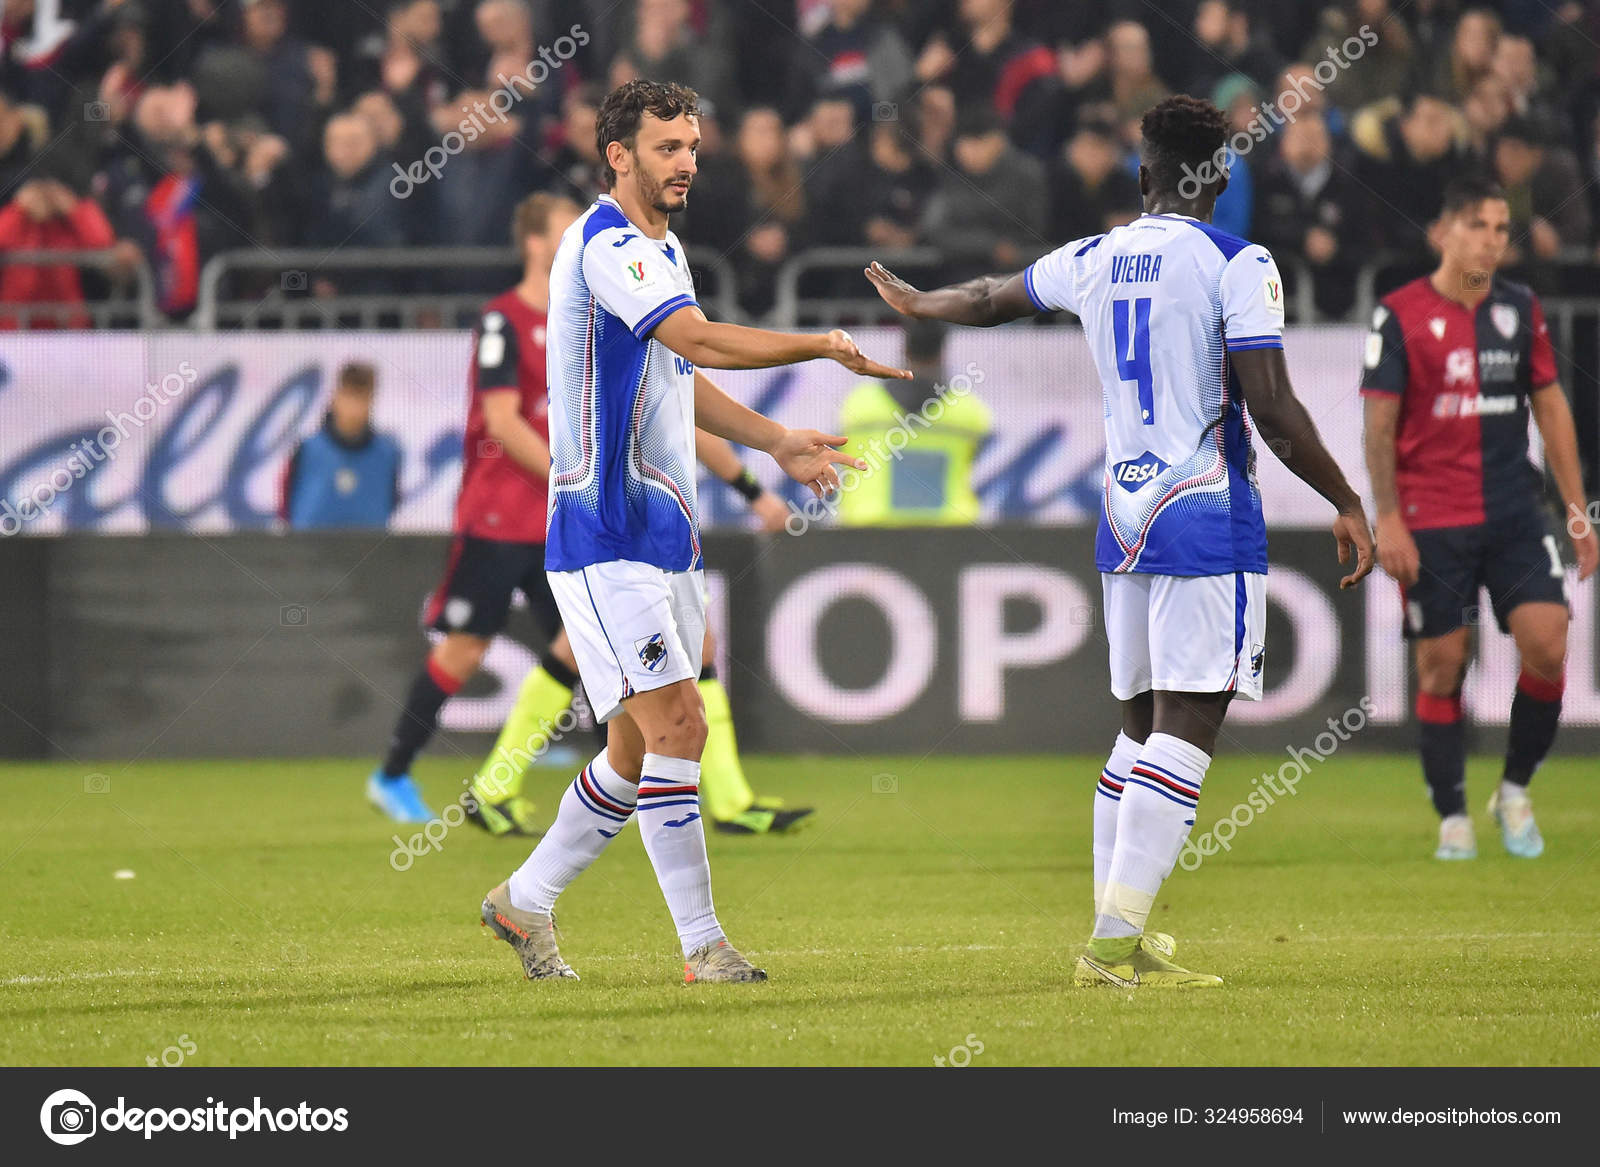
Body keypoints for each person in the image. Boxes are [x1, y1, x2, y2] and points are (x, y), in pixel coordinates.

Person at [866, 95, 1375, 989]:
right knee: (1193, 715)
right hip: (1205, 507)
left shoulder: (1095, 256)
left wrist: (919, 302)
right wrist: (1344, 498)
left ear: (1142, 176)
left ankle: (1117, 937)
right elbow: (1274, 407)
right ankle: (1111, 940)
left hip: (1125, 512)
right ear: (1221, 177)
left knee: (1138, 728)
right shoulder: (1239, 261)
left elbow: (990, 298)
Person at [479, 79, 906, 986]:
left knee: (633, 750)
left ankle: (522, 901)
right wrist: (820, 343)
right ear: (619, 155)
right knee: (681, 721)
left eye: (693, 147)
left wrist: (777, 438)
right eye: (669, 147)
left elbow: (681, 371)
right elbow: (703, 342)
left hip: (664, 532)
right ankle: (703, 946)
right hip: (603, 528)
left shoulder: (662, 252)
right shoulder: (604, 245)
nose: (688, 163)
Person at [1360, 174, 1598, 862]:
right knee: (1442, 663)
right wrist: (1389, 518)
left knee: (1549, 643)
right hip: (1431, 514)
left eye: (1501, 228)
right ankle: (1452, 813)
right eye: (1478, 226)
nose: (1492, 240)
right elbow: (1379, 427)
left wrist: (1577, 510)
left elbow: (1550, 408)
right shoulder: (1398, 314)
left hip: (1515, 508)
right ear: (1443, 232)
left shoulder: (1520, 308)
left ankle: (1515, 788)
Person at [837, 317, 991, 526]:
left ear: (904, 349)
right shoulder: (968, 411)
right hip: (949, 533)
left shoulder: (860, 405)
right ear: (942, 353)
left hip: (869, 528)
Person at [280, 362, 402, 529]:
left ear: (371, 400)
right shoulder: (306, 450)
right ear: (336, 396)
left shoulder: (387, 455)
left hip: (369, 553)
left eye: (362, 396)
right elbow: (285, 508)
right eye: (349, 394)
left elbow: (391, 505)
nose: (354, 405)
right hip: (309, 553)